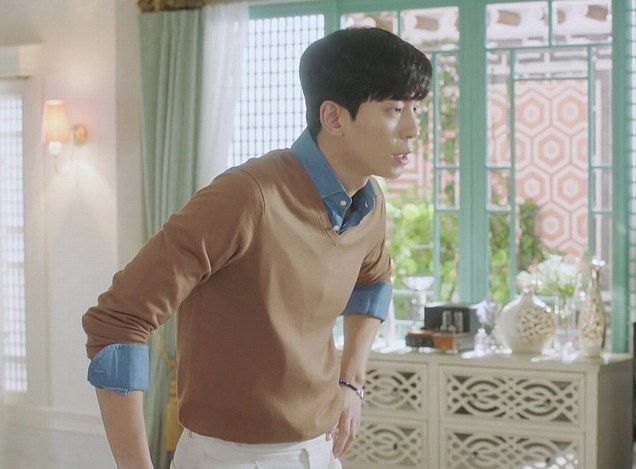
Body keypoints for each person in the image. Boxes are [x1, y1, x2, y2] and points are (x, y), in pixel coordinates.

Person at [82, 26, 433, 469]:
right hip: (230, 459)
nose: (413, 129)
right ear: (334, 118)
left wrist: (351, 381)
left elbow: (374, 280)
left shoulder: (369, 202)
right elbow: (119, 320)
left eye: (416, 108)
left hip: (321, 451)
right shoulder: (247, 197)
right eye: (394, 109)